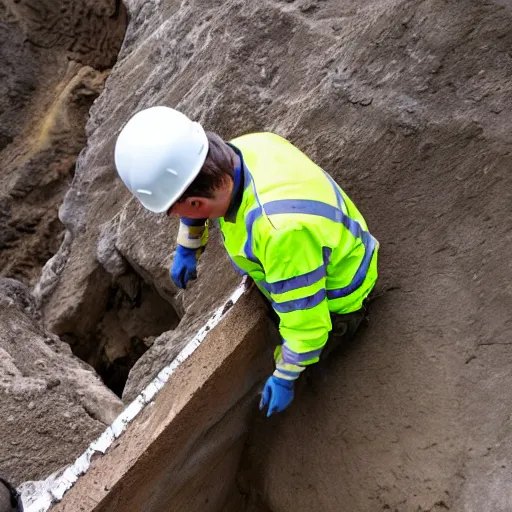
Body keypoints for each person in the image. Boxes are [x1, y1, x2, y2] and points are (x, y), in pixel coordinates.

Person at [114, 106, 379, 417]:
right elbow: (192, 193)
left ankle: (323, 365)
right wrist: (188, 246)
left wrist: (284, 376)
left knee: (307, 345)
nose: (179, 219)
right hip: (330, 242)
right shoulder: (248, 148)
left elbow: (308, 324)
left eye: (177, 212)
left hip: (340, 295)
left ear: (196, 202)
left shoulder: (278, 233)